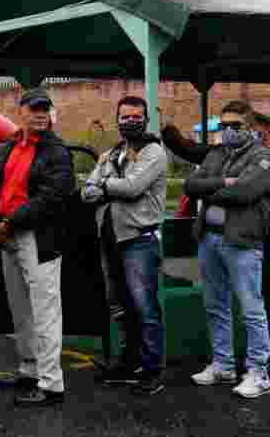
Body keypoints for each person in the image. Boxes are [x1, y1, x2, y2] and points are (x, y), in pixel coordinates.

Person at [0, 87, 75, 407]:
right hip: (10, 235)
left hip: (39, 238)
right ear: (20, 111)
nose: (40, 114)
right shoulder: (9, 146)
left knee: (45, 312)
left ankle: (52, 385)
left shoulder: (57, 151)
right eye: (34, 108)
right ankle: (30, 369)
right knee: (21, 309)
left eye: (44, 109)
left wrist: (7, 223)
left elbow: (52, 197)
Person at [183, 100, 270, 398]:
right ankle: (223, 365)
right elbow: (190, 185)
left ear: (250, 127)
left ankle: (259, 372)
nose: (229, 131)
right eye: (225, 126)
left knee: (251, 308)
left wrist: (213, 187)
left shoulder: (263, 157)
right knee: (215, 305)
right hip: (210, 239)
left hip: (243, 241)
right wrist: (223, 182)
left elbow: (246, 192)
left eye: (236, 126)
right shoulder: (216, 154)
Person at [82, 96, 168, 395]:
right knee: (120, 305)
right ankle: (129, 362)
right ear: (116, 119)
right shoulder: (111, 153)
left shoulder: (154, 152)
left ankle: (152, 369)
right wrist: (102, 186)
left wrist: (103, 186)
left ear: (145, 119)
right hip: (110, 237)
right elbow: (86, 191)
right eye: (124, 117)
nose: (130, 121)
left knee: (145, 307)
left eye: (136, 117)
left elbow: (132, 188)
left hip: (139, 238)